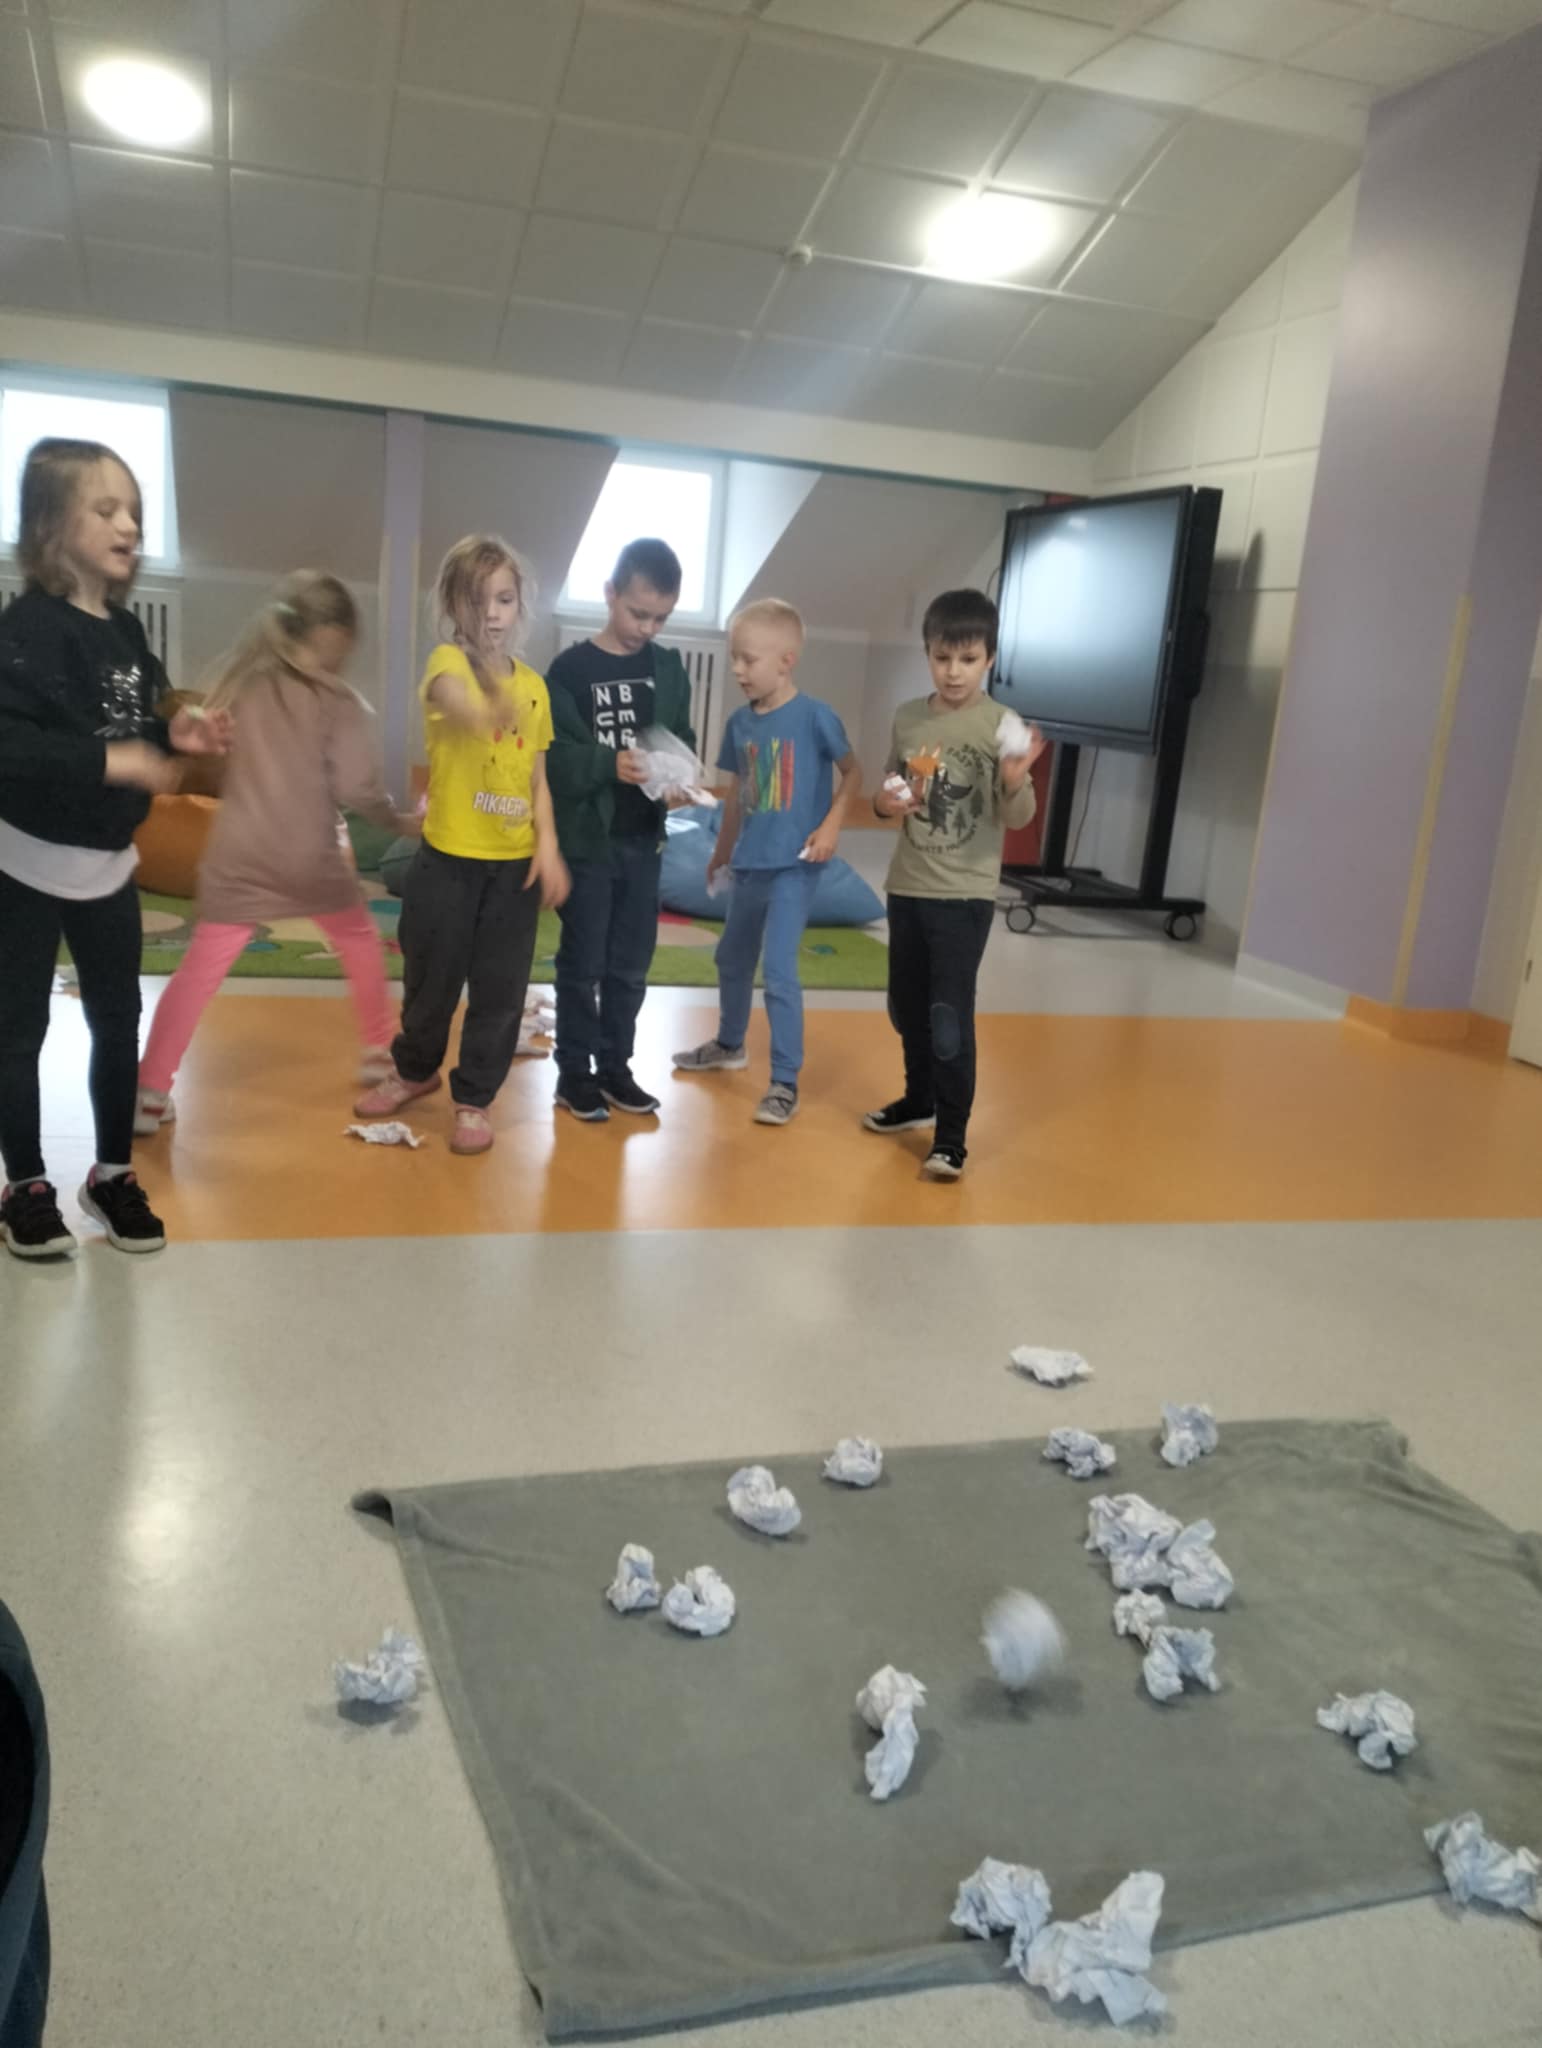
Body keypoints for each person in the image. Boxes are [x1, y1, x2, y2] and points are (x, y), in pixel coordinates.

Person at [0, 437, 229, 1260]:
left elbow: (139, 725)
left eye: (133, 509)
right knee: (19, 1029)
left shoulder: (128, 632)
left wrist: (177, 734)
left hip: (108, 868)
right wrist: (114, 762)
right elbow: (13, 746)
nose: (129, 524)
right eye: (105, 509)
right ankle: (25, 1185)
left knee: (116, 1018)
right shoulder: (26, 629)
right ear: (50, 527)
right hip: (25, 863)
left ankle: (111, 1173)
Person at [136, 572, 417, 1131]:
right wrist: (400, 820)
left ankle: (149, 1091)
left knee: (198, 972)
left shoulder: (244, 682)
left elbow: (199, 743)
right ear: (338, 640)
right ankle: (378, 1050)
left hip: (239, 858)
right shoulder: (339, 702)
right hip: (309, 859)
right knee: (358, 937)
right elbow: (359, 789)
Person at [353, 535, 569, 1155]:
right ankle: (414, 1070)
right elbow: (454, 701)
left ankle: (474, 1098)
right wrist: (487, 706)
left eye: (504, 599)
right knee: (431, 983)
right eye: (478, 601)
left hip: (512, 870)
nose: (492, 614)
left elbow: (537, 778)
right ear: (453, 607)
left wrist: (548, 846)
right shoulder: (446, 663)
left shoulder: (534, 687)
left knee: (500, 993)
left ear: (519, 605)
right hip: (447, 862)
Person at [866, 588, 1044, 1181]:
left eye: (968, 659)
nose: (953, 672)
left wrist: (1014, 779)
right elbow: (887, 793)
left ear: (989, 658)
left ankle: (950, 1136)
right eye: (942, 658)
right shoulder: (908, 717)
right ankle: (918, 1099)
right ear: (927, 653)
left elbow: (1019, 816)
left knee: (948, 1014)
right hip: (908, 886)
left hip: (964, 896)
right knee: (905, 1005)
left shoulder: (1001, 724)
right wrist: (888, 802)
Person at [673, 599, 860, 1126]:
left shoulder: (816, 717)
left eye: (748, 660)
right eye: (734, 657)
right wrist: (721, 852)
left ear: (786, 660)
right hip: (749, 864)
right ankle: (730, 1044)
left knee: (778, 970)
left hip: (795, 867)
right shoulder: (739, 724)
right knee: (731, 959)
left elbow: (853, 772)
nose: (737, 669)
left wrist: (831, 825)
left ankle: (784, 1081)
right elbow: (737, 793)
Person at [545, 537, 696, 1124]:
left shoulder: (667, 669)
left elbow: (680, 738)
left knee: (631, 966)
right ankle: (573, 1074)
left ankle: (615, 1069)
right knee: (583, 963)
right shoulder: (570, 671)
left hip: (643, 841)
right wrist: (609, 764)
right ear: (610, 594)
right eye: (638, 613)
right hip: (588, 844)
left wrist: (680, 778)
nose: (648, 628)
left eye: (661, 617)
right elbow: (555, 762)